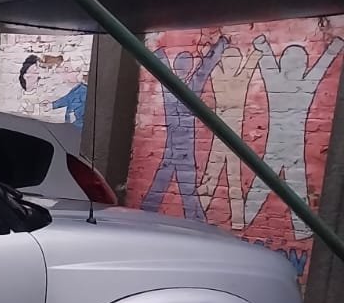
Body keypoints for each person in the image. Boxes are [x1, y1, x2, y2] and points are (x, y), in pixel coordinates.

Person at [241, 34, 344, 240]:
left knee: (264, 184)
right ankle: (301, 229)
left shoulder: (277, 81)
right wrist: (334, 47)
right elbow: (321, 66)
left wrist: (262, 45)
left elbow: (268, 63)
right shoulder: (305, 83)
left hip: (278, 145)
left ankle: (246, 217)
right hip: (292, 147)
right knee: (295, 188)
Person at [140, 36, 227, 222]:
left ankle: (195, 221)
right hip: (181, 151)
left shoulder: (170, 86)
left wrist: (158, 53)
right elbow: (204, 69)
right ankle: (198, 222)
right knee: (184, 191)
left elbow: (164, 66)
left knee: (165, 189)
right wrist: (220, 45)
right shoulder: (190, 87)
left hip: (176, 150)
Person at [195, 45, 258, 229]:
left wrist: (213, 49)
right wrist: (258, 49)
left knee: (215, 177)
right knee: (227, 179)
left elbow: (210, 64)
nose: (232, 62)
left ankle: (201, 215)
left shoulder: (220, 76)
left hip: (225, 136)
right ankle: (237, 221)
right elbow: (252, 61)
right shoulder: (238, 77)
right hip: (230, 137)